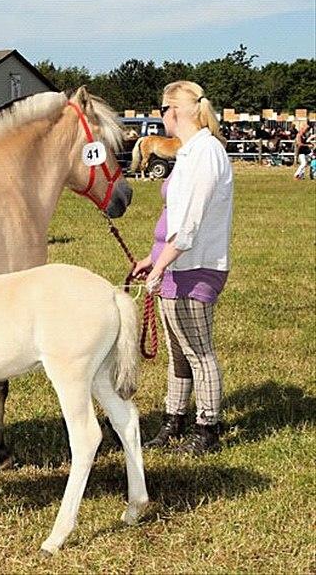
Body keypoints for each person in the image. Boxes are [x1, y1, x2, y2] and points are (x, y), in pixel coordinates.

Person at [132, 80, 234, 456]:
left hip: (194, 266)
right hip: (176, 264)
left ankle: (207, 428)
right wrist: (152, 258)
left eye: (162, 110)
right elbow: (173, 216)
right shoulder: (190, 153)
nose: (161, 118)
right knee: (178, 352)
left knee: (198, 351)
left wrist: (160, 267)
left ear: (175, 110)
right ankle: (173, 420)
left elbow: (188, 226)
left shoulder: (206, 152)